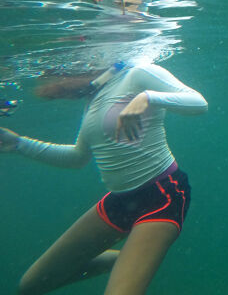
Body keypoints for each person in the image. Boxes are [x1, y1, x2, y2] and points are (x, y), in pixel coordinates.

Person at [0, 61, 207, 295]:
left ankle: (136, 262)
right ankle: (129, 261)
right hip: (119, 201)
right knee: (32, 285)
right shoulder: (94, 98)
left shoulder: (138, 74)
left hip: (162, 195)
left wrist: (147, 97)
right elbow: (78, 157)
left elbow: (199, 102)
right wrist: (18, 144)